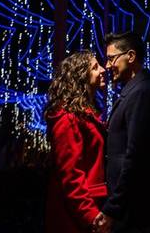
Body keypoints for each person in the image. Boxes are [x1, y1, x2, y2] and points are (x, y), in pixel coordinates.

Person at [95, 32, 150, 233]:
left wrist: (112, 208)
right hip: (131, 207)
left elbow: (135, 156)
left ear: (130, 56)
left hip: (134, 209)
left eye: (111, 58)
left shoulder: (141, 92)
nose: (108, 65)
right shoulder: (135, 90)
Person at [45, 51, 108, 233]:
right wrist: (91, 217)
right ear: (81, 76)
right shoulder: (67, 118)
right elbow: (71, 175)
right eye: (95, 67)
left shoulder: (84, 113)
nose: (103, 70)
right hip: (76, 217)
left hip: (87, 208)